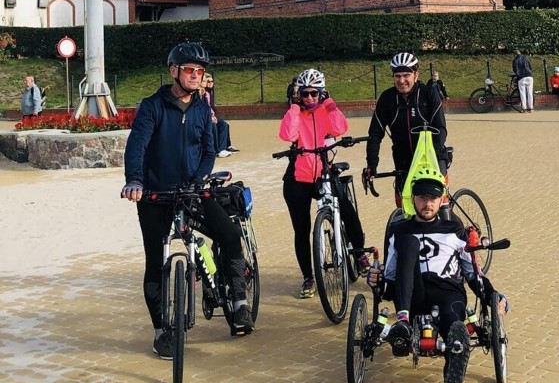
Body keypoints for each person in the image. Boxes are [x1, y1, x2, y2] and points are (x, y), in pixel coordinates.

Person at [121, 42, 253, 358]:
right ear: (174, 72)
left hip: (192, 191)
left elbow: (208, 151)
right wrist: (135, 180)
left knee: (230, 236)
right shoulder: (152, 107)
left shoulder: (201, 109)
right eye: (190, 70)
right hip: (155, 195)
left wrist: (199, 178)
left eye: (200, 71)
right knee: (155, 262)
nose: (196, 76)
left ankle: (239, 303)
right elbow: (136, 145)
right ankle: (160, 330)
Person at [372, 176, 507, 383]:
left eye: (433, 198)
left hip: (447, 290)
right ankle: (403, 323)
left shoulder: (454, 230)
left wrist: (492, 295)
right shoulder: (399, 231)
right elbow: (390, 282)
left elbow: (472, 273)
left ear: (441, 199)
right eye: (422, 198)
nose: (427, 203)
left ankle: (455, 352)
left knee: (452, 322)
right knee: (408, 241)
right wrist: (378, 283)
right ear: (413, 200)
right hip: (412, 293)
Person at [278, 67, 371, 299]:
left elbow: (340, 127)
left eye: (314, 94)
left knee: (347, 211)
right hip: (298, 176)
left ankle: (359, 253)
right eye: (305, 94)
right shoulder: (297, 112)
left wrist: (329, 104)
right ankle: (308, 277)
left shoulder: (326, 110)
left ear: (322, 93)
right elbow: (287, 135)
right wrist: (293, 106)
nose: (309, 98)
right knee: (301, 229)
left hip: (325, 172)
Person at [365, 52, 448, 199]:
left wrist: (434, 158)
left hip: (432, 159)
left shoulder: (428, 93)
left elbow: (440, 128)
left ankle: (450, 219)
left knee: (437, 204)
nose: (401, 80)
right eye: (397, 76)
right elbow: (375, 134)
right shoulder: (387, 98)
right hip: (403, 162)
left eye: (406, 75)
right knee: (404, 208)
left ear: (415, 75)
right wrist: (372, 165)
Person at [200, 72, 238, 157]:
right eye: (207, 81)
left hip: (211, 116)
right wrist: (211, 116)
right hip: (205, 118)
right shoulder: (201, 94)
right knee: (213, 126)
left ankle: (224, 147)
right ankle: (218, 150)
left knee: (224, 125)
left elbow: (213, 108)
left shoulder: (209, 94)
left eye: (211, 81)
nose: (210, 83)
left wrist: (215, 116)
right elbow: (203, 108)